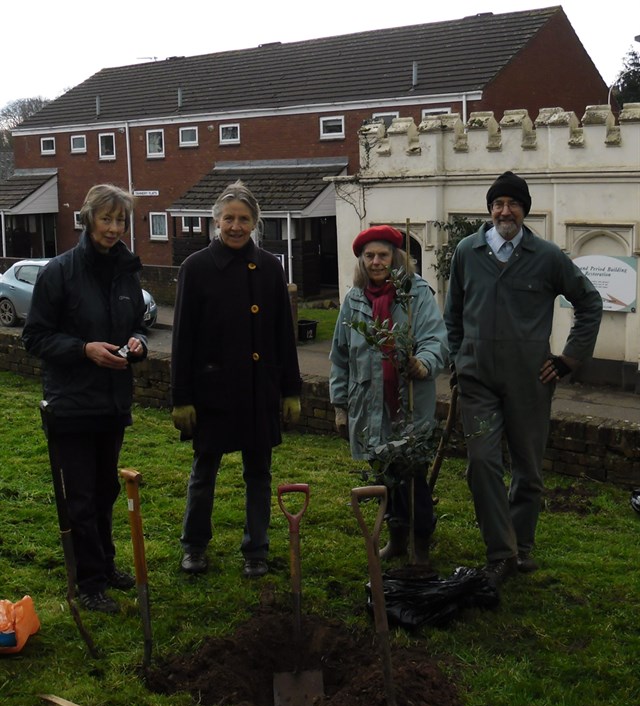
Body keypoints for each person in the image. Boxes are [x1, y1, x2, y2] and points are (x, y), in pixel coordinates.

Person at [444, 171, 603, 586]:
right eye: (498, 203)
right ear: (490, 209)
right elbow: (453, 313)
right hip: (477, 379)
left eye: (513, 203)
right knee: (482, 463)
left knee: (528, 470)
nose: (505, 210)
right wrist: (458, 358)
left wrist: (569, 359)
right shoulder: (467, 250)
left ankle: (522, 545)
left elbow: (589, 302)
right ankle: (501, 553)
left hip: (530, 382)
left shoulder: (546, 256)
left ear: (524, 210)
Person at [23, 184, 148, 614]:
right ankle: (89, 582)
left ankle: (106, 564)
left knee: (104, 491)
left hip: (112, 402)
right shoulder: (58, 272)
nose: (114, 229)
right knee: (79, 496)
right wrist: (83, 350)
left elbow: (138, 326)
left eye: (120, 221)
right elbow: (34, 337)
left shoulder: (128, 273)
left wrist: (137, 343)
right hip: (71, 404)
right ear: (87, 219)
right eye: (106, 219)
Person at [171, 180, 302, 579]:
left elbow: (283, 333)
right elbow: (182, 339)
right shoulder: (195, 267)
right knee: (203, 473)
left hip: (258, 389)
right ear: (215, 221)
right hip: (212, 392)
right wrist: (181, 398)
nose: (235, 226)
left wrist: (291, 390)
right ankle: (194, 546)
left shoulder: (269, 267)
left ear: (255, 224)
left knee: (259, 474)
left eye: (244, 219)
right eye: (228, 218)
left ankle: (256, 549)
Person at [329, 225, 449, 563]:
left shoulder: (415, 294)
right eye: (369, 256)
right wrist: (340, 406)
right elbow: (340, 357)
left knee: (412, 477)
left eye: (383, 255)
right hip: (370, 406)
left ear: (396, 258)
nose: (376, 261)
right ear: (362, 261)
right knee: (385, 476)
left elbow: (435, 339)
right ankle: (397, 540)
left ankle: (421, 547)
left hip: (409, 404)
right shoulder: (354, 300)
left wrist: (423, 363)